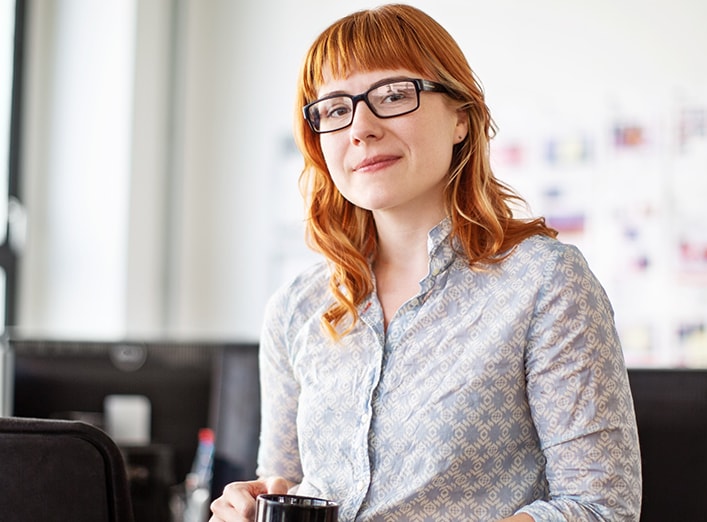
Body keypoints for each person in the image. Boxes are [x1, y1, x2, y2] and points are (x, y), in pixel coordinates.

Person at [210, 4, 641, 521]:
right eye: (334, 109)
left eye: (393, 95)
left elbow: (600, 507)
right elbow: (287, 483)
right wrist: (251, 505)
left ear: (460, 117)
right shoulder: (296, 309)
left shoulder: (545, 282)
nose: (360, 129)